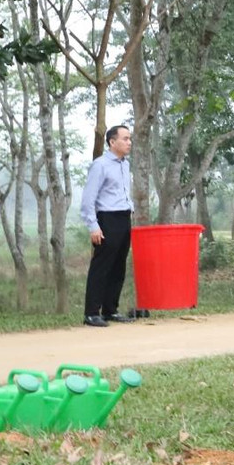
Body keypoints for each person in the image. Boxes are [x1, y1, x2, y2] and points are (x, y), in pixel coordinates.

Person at [79, 125, 136, 327]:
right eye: (125, 138)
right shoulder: (100, 165)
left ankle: (110, 309)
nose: (129, 142)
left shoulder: (125, 164)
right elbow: (88, 199)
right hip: (107, 219)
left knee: (118, 266)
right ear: (113, 142)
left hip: (124, 217)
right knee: (101, 266)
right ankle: (92, 312)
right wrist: (93, 226)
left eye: (130, 139)